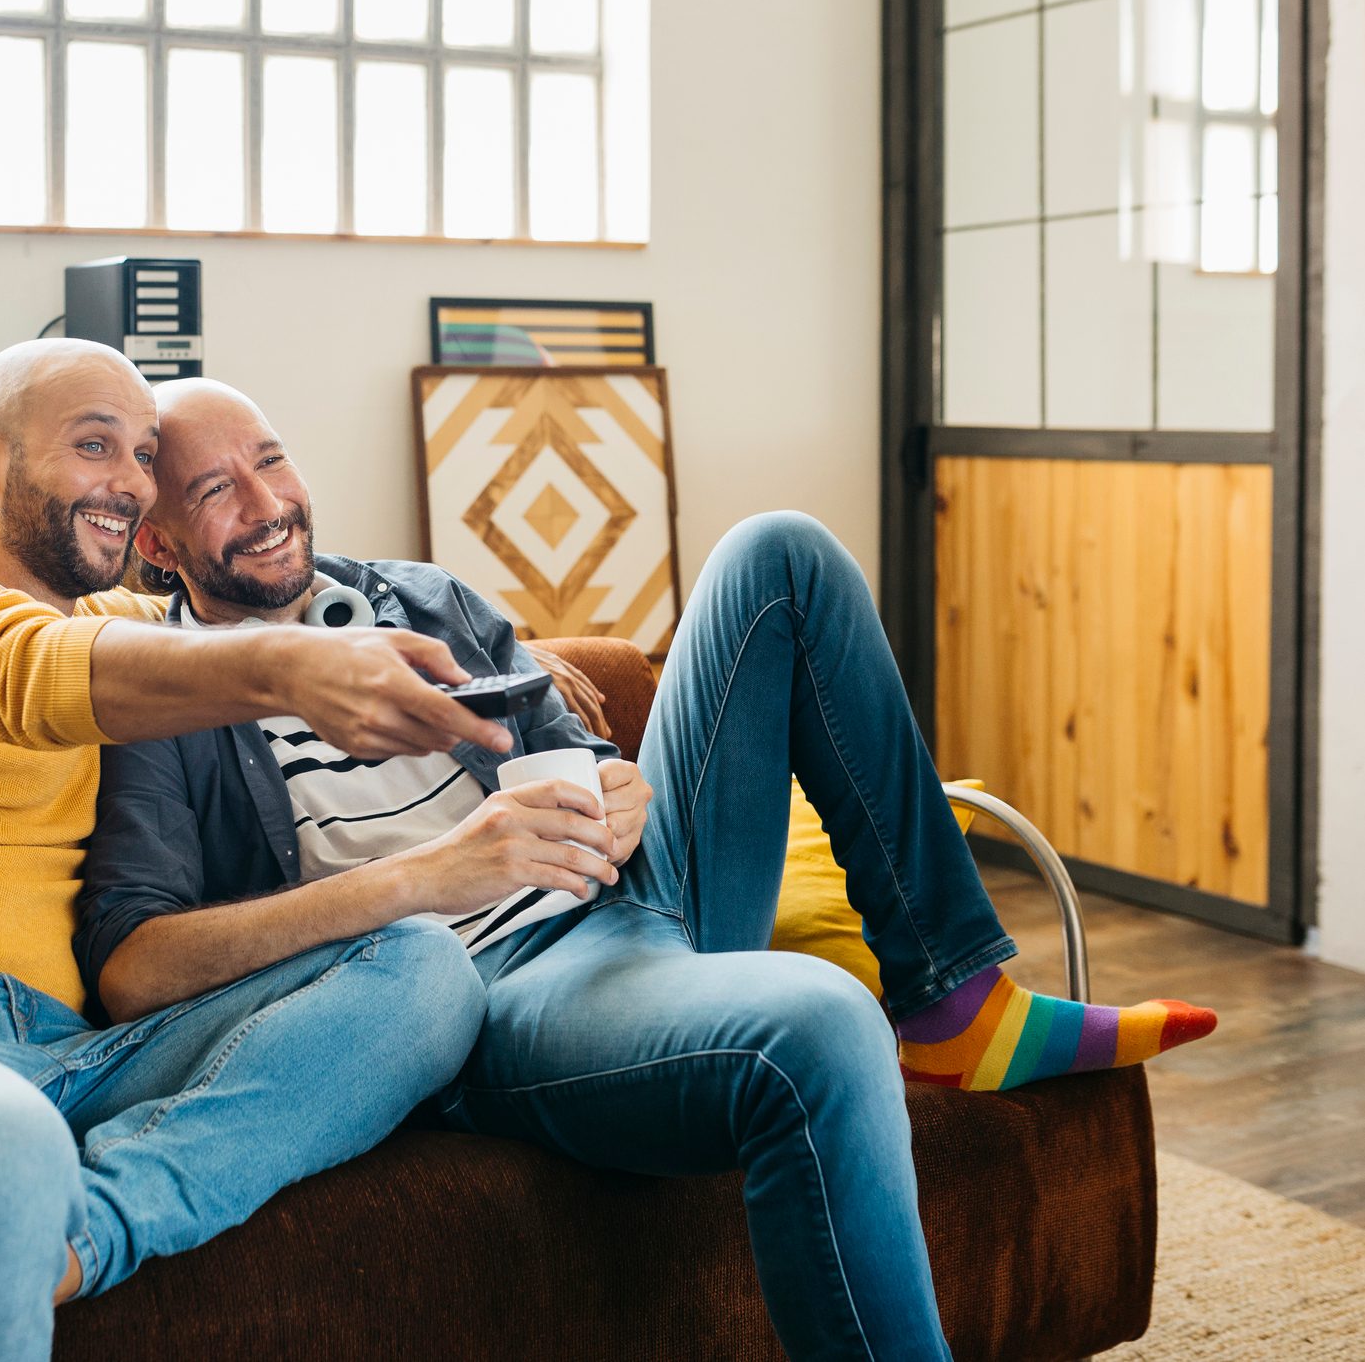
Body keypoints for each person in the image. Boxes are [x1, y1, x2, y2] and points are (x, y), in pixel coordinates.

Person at [77, 378, 1218, 1361]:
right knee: (816, 1020)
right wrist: (432, 874)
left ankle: (957, 996)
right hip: (496, 993)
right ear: (161, 543)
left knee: (782, 553)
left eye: (269, 461)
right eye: (215, 488)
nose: (268, 504)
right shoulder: (164, 699)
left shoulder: (422, 599)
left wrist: (615, 794)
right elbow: (132, 968)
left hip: (634, 895)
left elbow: (574, 756)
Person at [0, 341, 512, 1362]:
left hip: (61, 1058)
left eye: (144, 454)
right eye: (92, 444)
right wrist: (285, 667)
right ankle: (30, 1200)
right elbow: (27, 669)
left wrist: (511, 649)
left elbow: (255, 593)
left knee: (425, 970)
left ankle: (85, 1230)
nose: (127, 478)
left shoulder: (130, 623)